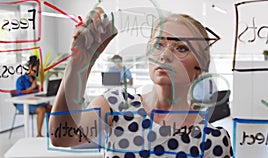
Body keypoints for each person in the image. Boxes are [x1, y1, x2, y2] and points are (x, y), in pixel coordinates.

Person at [49, 7, 233, 157]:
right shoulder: (116, 105)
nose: (165, 55)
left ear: (201, 66)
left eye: (181, 48)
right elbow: (62, 137)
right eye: (158, 45)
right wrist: (78, 64)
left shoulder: (213, 140)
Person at [16, 55, 52, 137]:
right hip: (23, 104)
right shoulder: (20, 80)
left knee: (51, 108)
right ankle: (39, 134)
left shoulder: (34, 79)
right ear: (30, 68)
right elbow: (19, 95)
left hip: (34, 102)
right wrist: (31, 88)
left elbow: (35, 94)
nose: (36, 73)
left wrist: (38, 88)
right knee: (41, 110)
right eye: (35, 70)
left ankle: (51, 132)